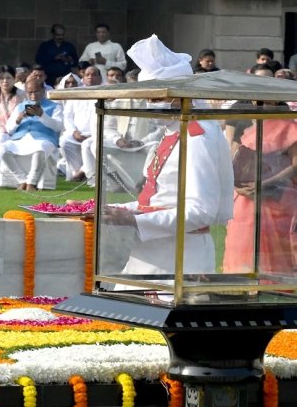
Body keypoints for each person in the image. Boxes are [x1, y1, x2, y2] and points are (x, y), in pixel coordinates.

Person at [103, 34, 234, 276]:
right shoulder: (172, 131)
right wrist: (110, 209)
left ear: (177, 94)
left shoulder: (197, 136)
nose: (148, 104)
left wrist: (135, 220)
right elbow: (156, 200)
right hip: (149, 252)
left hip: (181, 255)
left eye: (154, 97)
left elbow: (201, 211)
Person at [222, 107, 296, 274]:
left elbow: (295, 165)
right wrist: (237, 185)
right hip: (244, 201)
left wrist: (265, 183)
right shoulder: (249, 126)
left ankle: (273, 289)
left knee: (273, 252)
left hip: (275, 201)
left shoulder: (289, 127)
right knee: (242, 244)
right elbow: (235, 162)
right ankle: (239, 288)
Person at [0, 76, 64, 191]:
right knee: (2, 149)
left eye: (36, 92)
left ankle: (31, 183)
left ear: (43, 91)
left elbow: (58, 127)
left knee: (41, 148)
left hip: (44, 139)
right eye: (30, 93)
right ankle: (22, 180)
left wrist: (42, 115)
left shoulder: (55, 106)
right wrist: (18, 119)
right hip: (21, 139)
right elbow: (9, 129)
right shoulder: (20, 107)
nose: (33, 95)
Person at [60, 67, 99, 182]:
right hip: (77, 133)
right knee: (64, 141)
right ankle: (78, 172)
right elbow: (67, 116)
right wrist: (73, 131)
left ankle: (82, 173)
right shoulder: (76, 93)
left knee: (88, 144)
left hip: (95, 134)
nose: (90, 77)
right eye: (87, 74)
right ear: (83, 78)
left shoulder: (104, 93)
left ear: (100, 77)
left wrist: (93, 134)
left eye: (94, 74)